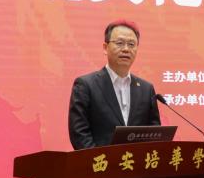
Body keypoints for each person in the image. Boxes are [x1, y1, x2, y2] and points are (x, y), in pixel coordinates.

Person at [68, 20, 161, 149]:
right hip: (99, 161)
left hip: (137, 161)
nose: (126, 49)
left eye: (131, 44)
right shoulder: (85, 85)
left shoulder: (146, 89)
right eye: (119, 43)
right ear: (105, 48)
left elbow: (154, 133)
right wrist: (101, 160)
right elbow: (79, 134)